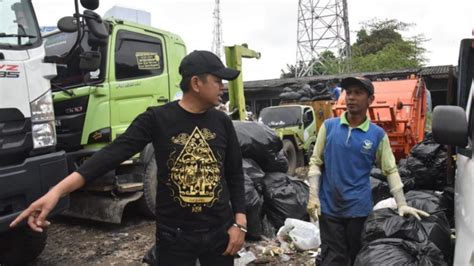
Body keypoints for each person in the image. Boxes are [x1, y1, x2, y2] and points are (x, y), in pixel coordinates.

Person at [10, 50, 247, 266]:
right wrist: (57, 191)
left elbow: (235, 173)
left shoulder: (222, 122)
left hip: (219, 232)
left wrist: (239, 223)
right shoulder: (157, 119)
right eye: (218, 81)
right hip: (174, 236)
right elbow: (111, 155)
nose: (222, 87)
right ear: (196, 83)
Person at [306, 77, 429, 266]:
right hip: (330, 208)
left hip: (358, 210)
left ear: (370, 100)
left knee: (357, 258)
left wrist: (402, 203)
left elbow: (390, 170)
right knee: (333, 259)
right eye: (349, 93)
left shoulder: (376, 135)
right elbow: (315, 162)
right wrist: (313, 196)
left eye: (358, 93)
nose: (351, 98)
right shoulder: (329, 127)